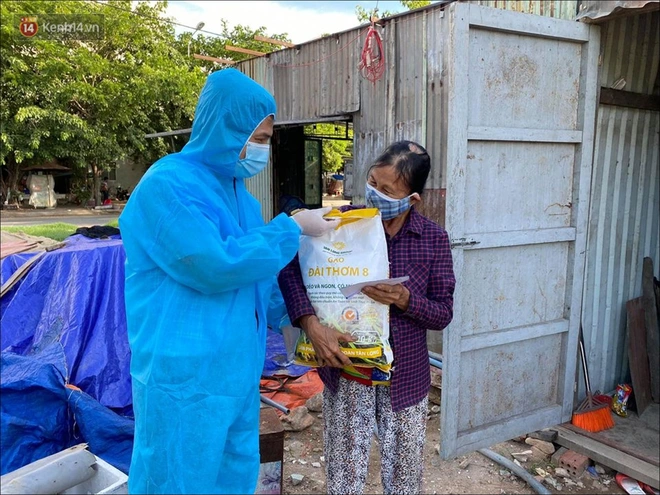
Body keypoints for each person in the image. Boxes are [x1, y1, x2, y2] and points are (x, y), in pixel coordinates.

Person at [119, 68, 337, 494]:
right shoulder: (166, 185)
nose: (261, 149)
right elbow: (212, 265)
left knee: (232, 473)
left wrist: (307, 313)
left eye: (266, 140)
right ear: (222, 127)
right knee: (176, 477)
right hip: (183, 374)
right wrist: (290, 229)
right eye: (254, 137)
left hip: (236, 372)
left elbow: (260, 283)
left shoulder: (244, 199)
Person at [278, 141, 456, 495]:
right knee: (344, 478)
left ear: (412, 199)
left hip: (406, 380)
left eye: (388, 190)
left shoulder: (433, 240)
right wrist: (310, 324)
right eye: (373, 182)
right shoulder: (340, 223)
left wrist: (407, 300)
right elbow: (288, 269)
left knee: (404, 481)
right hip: (346, 370)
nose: (375, 194)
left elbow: (443, 313)